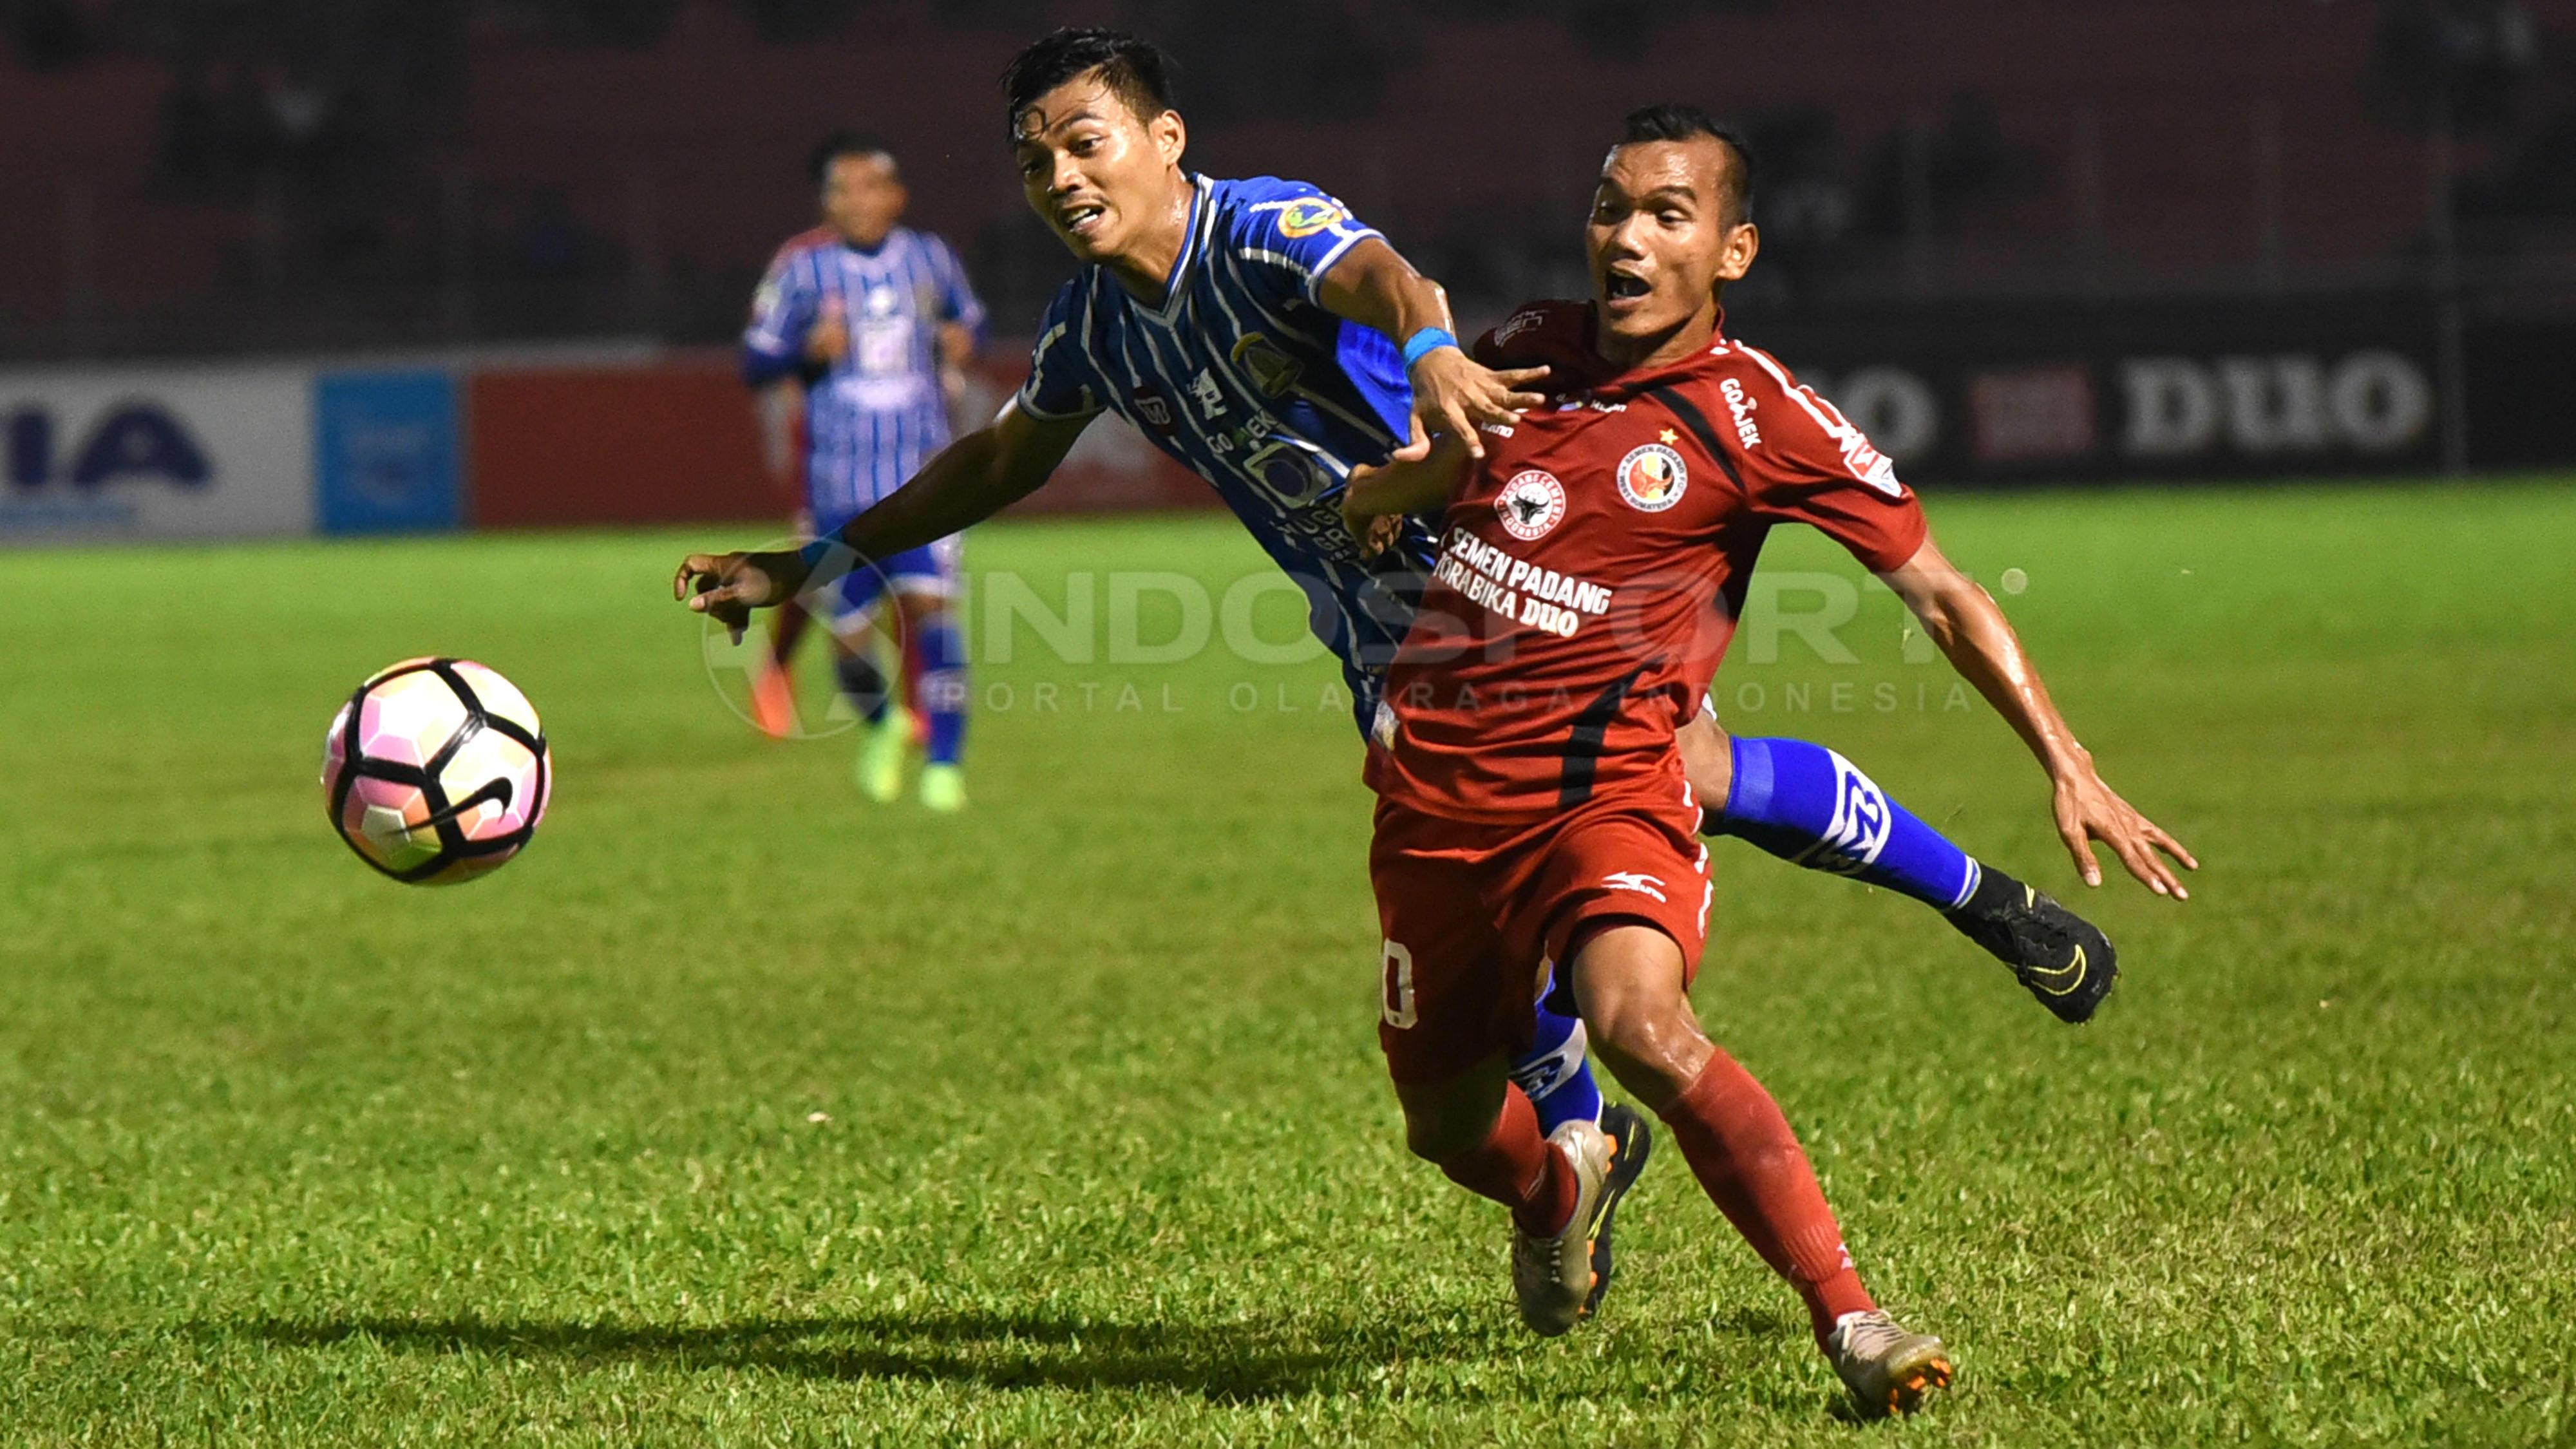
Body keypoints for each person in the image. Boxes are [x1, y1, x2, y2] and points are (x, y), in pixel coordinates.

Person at [674, 28, 2187, 1319]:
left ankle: (1625, 1143)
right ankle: (1620, 1127)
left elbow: (1378, 271)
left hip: (1520, 593)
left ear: (1164, 139)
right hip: (1384, 656)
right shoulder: (1093, 328)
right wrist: (815, 561)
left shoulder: (1255, 226)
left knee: (1647, 819)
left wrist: (1435, 347)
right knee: (1657, 822)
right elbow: (1003, 453)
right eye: (1033, 160)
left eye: (1084, 141)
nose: (1060, 176)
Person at [1337, 103, 2192, 1416]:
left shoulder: (1759, 415)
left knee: (1641, 1026)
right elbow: (1400, 498)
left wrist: (2065, 763)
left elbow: (1946, 597)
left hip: (1601, 794)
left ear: (1729, 251)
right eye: (1609, 207)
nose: (1624, 236)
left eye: (1664, 214)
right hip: (1432, 815)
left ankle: (1852, 1322)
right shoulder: (1523, 353)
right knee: (1447, 1131)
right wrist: (1389, 488)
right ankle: (1561, 1186)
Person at [739, 130, 987, 810]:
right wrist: (803, 351)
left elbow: (970, 322)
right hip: (839, 482)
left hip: (921, 475)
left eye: (869, 186)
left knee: (934, 614)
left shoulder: (931, 260)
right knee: (849, 640)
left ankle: (945, 767)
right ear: (825, 202)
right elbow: (754, 362)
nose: (856, 201)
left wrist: (963, 340)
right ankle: (883, 728)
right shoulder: (801, 271)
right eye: (841, 190)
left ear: (897, 195)